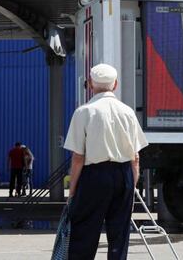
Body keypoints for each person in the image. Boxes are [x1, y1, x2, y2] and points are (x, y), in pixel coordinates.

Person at [63, 63, 148, 260]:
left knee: (84, 231)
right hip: (123, 174)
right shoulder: (127, 112)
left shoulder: (84, 112)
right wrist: (131, 186)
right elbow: (135, 157)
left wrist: (73, 190)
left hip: (93, 175)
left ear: (91, 84)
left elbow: (78, 158)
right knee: (119, 234)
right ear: (115, 84)